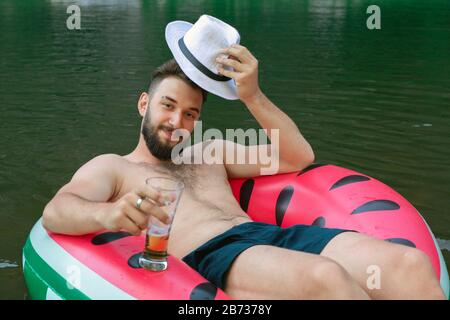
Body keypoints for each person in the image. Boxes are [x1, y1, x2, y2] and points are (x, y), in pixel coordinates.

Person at [42, 16, 445, 300]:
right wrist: (109, 217)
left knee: (408, 265)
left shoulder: (211, 153)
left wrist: (251, 94)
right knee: (327, 280)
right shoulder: (114, 167)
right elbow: (58, 211)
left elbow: (296, 156)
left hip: (271, 239)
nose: (176, 121)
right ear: (144, 103)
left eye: (191, 113)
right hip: (212, 256)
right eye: (167, 106)